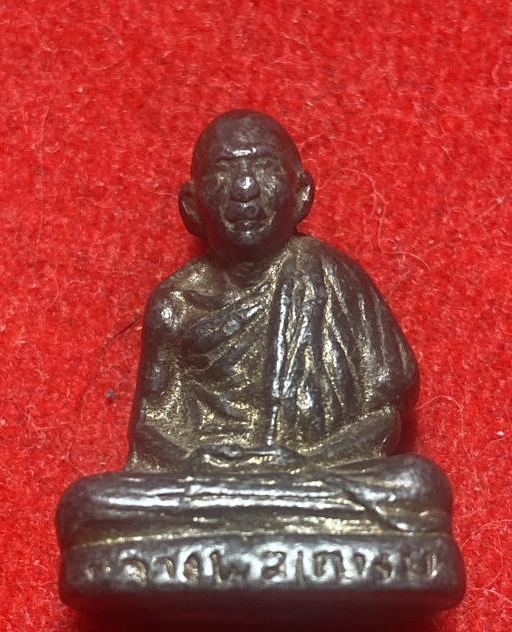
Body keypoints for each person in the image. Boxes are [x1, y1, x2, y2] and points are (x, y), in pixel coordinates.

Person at [57, 110, 455, 556]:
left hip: (313, 474)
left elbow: (384, 412)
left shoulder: (333, 278)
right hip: (210, 482)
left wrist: (307, 461)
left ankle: (242, 538)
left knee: (417, 485)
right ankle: (284, 538)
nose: (245, 188)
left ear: (301, 193)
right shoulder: (176, 304)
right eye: (223, 171)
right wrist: (196, 461)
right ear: (191, 205)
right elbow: (150, 429)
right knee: (88, 505)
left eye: (264, 167)